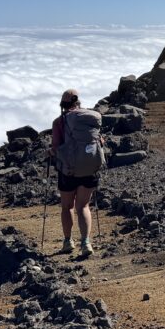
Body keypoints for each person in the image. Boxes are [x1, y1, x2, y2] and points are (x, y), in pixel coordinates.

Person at [50, 88, 102, 257]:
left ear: (63, 104)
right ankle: (86, 242)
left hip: (68, 171)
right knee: (83, 206)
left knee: (67, 207)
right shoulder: (89, 120)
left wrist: (50, 153)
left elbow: (56, 147)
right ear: (78, 102)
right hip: (89, 170)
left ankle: (68, 241)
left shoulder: (59, 122)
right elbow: (99, 140)